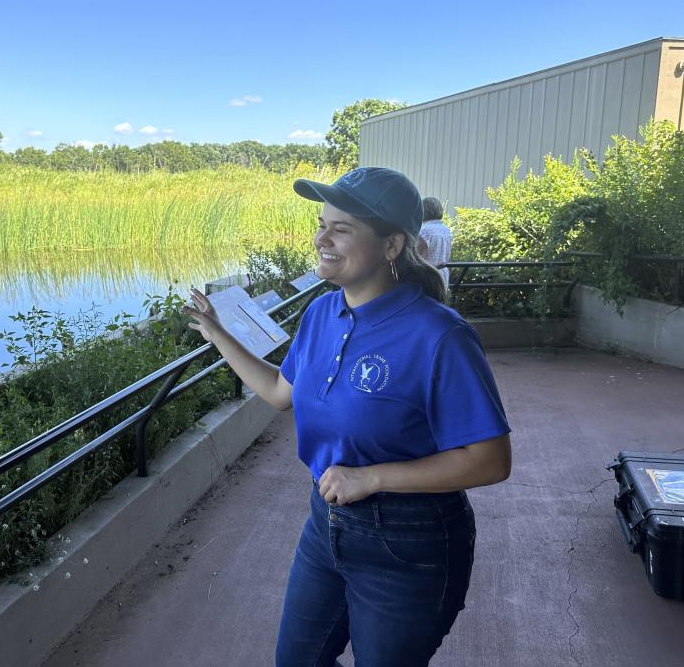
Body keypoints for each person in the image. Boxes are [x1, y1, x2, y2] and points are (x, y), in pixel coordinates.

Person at [184, 167, 511, 667]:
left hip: (411, 541)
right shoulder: (320, 312)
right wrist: (218, 333)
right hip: (326, 525)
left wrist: (371, 477)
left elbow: (491, 461)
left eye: (342, 228)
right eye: (321, 224)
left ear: (391, 246)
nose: (321, 238)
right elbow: (279, 391)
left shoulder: (440, 335)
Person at [417, 196, 453, 289]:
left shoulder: (424, 231)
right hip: (443, 273)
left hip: (429, 274)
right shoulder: (446, 230)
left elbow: (420, 256)